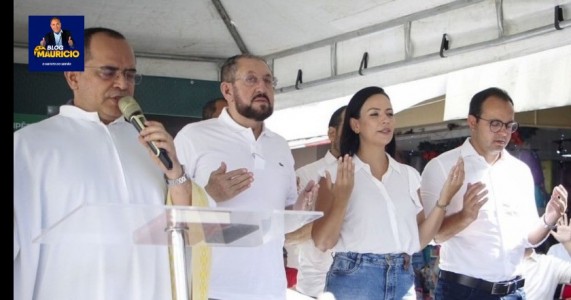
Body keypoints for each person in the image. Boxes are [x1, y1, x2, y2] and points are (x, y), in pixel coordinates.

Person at [14, 27, 193, 300]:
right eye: (108, 72)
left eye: (130, 74)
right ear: (73, 76)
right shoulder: (30, 145)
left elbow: (186, 229)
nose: (122, 84)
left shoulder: (150, 144)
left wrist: (175, 172)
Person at [174, 53, 318, 300]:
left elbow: (281, 223)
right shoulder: (193, 137)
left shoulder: (280, 145)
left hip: (270, 290)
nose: (262, 87)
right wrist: (210, 195)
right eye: (251, 80)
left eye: (268, 80)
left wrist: (299, 208)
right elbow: (170, 217)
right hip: (212, 290)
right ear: (227, 90)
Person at [311, 86, 466, 299]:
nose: (385, 120)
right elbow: (322, 242)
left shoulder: (409, 175)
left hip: (403, 277)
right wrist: (342, 197)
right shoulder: (335, 173)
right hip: (355, 279)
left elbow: (419, 240)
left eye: (389, 114)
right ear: (356, 125)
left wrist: (444, 200)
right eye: (374, 114)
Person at [420, 87, 569, 299]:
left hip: (514, 290)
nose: (504, 132)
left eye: (509, 125)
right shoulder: (443, 167)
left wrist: (549, 218)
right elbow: (431, 237)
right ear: (472, 122)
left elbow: (528, 239)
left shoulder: (520, 171)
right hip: (463, 291)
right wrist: (465, 216)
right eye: (495, 124)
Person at [289, 105, 346, 298]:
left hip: (365, 286)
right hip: (317, 286)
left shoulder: (371, 176)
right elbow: (288, 235)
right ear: (332, 133)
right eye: (349, 127)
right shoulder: (306, 175)